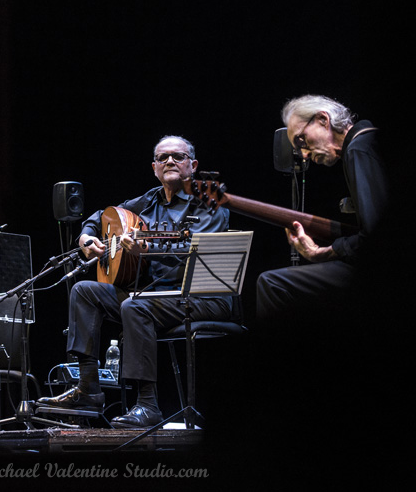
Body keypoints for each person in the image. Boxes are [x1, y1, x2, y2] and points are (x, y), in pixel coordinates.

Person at [37, 135, 232, 428]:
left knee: (134, 305)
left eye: (177, 156)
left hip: (204, 296)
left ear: (193, 164)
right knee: (84, 291)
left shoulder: (209, 201)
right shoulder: (148, 200)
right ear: (154, 167)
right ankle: (88, 388)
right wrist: (86, 238)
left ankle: (148, 406)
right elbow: (98, 217)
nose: (169, 161)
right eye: (163, 157)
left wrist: (148, 249)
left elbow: (199, 248)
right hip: (156, 297)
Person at [256, 94, 389, 320]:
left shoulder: (358, 149)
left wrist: (320, 253)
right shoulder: (368, 141)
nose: (304, 154)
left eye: (301, 140)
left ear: (322, 120)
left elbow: (377, 237)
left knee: (272, 283)